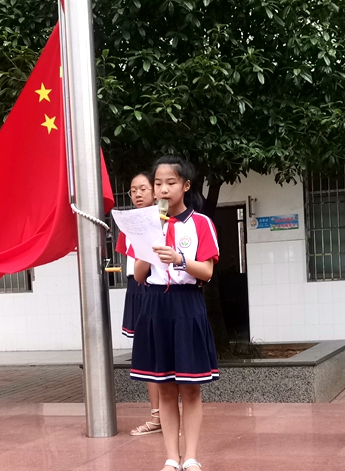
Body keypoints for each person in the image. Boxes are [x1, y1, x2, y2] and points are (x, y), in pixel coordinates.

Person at [131, 156, 219, 471]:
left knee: (190, 387)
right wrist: (149, 243)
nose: (163, 189)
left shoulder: (201, 224)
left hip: (187, 304)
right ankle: (171, 457)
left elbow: (206, 272)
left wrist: (179, 259)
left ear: (185, 185)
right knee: (165, 386)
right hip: (154, 306)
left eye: (170, 183)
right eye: (158, 184)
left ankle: (191, 456)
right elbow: (140, 275)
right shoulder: (145, 225)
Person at [115, 172, 165, 436]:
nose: (137, 194)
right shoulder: (128, 223)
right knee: (147, 356)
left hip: (162, 287)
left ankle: (172, 416)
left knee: (167, 353)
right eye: (133, 190)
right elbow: (133, 264)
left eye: (143, 188)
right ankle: (156, 416)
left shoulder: (166, 220)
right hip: (138, 287)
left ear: (155, 192)